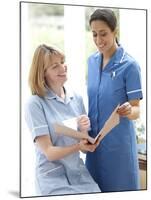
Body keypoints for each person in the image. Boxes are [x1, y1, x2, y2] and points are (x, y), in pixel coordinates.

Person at [25, 44, 101, 196]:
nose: (63, 67)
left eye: (62, 61)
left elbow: (84, 146)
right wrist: (78, 145)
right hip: (52, 178)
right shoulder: (35, 103)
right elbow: (49, 153)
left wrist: (87, 138)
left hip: (78, 174)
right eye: (55, 66)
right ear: (43, 73)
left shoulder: (76, 98)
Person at [85, 9, 143, 192]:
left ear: (114, 31)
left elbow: (136, 110)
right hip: (94, 145)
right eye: (94, 34)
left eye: (103, 34)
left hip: (119, 148)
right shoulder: (91, 62)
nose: (98, 40)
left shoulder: (130, 66)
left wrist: (128, 109)